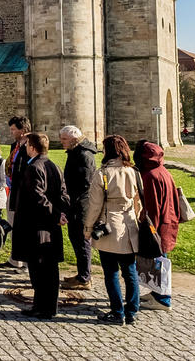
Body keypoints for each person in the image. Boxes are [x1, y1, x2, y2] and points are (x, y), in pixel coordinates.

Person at [84, 135, 141, 325]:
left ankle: (117, 312)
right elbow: (138, 201)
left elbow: (94, 206)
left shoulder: (103, 174)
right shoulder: (133, 171)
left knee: (111, 272)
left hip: (110, 226)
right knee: (130, 271)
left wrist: (88, 228)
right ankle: (132, 310)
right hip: (130, 225)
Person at [13, 132, 69, 320]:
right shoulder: (54, 166)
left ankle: (42, 307)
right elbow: (63, 194)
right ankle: (47, 306)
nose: (25, 147)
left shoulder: (34, 168)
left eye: (27, 144)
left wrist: (56, 214)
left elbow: (38, 198)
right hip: (50, 225)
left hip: (37, 226)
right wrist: (61, 213)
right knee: (50, 270)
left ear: (33, 147)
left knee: (39, 269)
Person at [135, 140, 180, 311]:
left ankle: (163, 299)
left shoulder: (150, 176)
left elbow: (152, 206)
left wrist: (148, 227)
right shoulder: (162, 171)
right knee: (160, 258)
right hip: (168, 220)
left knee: (159, 259)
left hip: (158, 225)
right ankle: (157, 293)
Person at [60, 125, 97, 291]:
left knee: (81, 241)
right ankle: (82, 274)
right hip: (76, 203)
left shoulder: (83, 155)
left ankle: (84, 278)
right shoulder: (76, 152)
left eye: (64, 139)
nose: (61, 142)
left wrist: (70, 202)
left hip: (81, 205)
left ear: (74, 139)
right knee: (76, 239)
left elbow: (84, 183)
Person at [0, 115, 31, 269]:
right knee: (13, 224)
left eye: (13, 129)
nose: (11, 132)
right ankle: (15, 259)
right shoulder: (15, 146)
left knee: (23, 227)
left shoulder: (31, 147)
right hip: (12, 189)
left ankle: (25, 262)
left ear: (23, 130)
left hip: (23, 192)